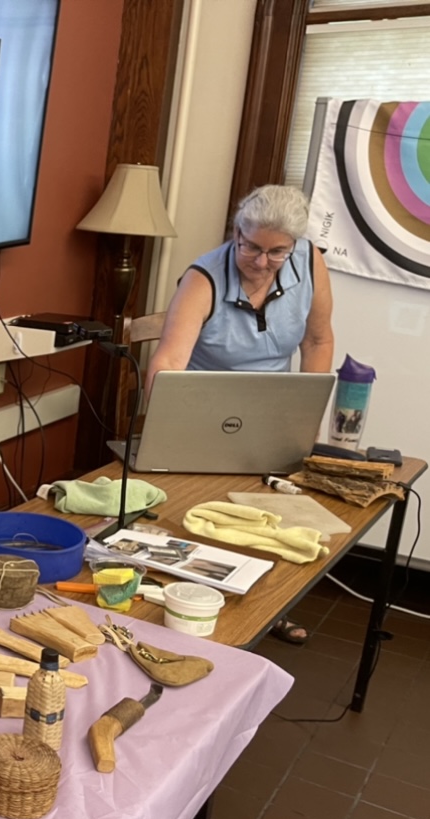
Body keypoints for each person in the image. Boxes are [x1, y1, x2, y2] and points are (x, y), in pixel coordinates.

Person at [146, 184, 335, 644]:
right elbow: (169, 362)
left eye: (277, 252)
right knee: (203, 509)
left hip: (271, 410)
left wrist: (306, 417)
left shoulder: (309, 262)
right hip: (204, 412)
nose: (260, 261)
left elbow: (317, 340)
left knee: (277, 516)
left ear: (294, 246)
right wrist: (163, 431)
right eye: (250, 246)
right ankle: (198, 600)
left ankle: (267, 605)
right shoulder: (203, 278)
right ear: (237, 231)